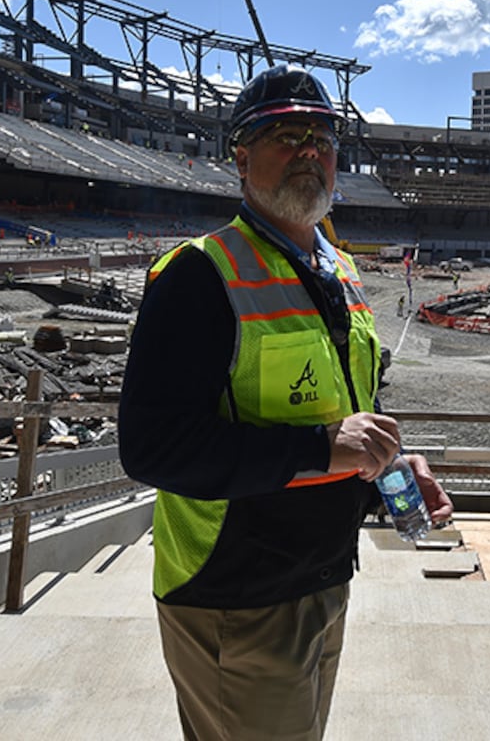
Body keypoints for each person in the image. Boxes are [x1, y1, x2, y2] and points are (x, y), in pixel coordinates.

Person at [118, 65, 452, 741]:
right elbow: (153, 449)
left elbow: (351, 408)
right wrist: (322, 448)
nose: (310, 151)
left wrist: (390, 469)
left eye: (322, 137)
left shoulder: (339, 271)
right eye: (285, 135)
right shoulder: (198, 274)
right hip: (236, 597)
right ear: (241, 160)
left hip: (322, 578)